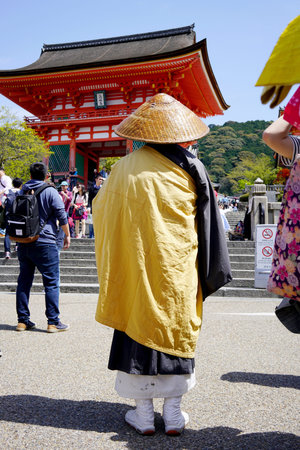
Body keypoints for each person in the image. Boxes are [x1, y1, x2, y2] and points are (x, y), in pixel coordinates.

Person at [93, 93, 232, 436]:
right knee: (174, 329)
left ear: (143, 134)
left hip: (135, 266)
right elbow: (209, 224)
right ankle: (173, 413)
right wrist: (210, 270)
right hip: (176, 270)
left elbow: (102, 211)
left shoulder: (122, 168)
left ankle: (142, 414)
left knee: (134, 327)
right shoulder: (193, 166)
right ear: (179, 132)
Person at [14, 162, 70, 333]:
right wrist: (67, 235)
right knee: (51, 282)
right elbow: (62, 214)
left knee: (24, 281)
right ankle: (53, 322)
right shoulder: (50, 191)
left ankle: (22, 321)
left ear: (30, 175)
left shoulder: (21, 191)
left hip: (24, 241)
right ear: (46, 176)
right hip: (45, 242)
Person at [3, 177, 23, 259]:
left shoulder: (7, 192)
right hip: (20, 217)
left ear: (13, 184)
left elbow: (4, 204)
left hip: (9, 216)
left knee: (8, 233)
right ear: (21, 185)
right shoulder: (22, 192)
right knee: (19, 231)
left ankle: (7, 252)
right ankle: (17, 246)